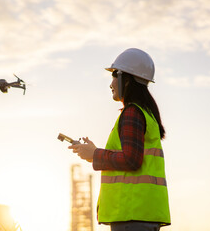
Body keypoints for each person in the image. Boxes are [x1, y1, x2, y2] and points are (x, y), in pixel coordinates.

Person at [68, 48, 171, 231]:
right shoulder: (146, 113)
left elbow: (131, 160)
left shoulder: (132, 112)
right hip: (142, 213)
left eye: (114, 76)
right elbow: (132, 156)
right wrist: (93, 154)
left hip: (131, 215)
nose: (111, 84)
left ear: (127, 79)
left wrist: (96, 154)